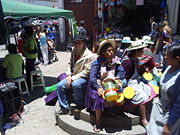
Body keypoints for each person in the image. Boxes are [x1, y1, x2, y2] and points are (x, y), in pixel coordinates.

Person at [85, 40, 126, 132]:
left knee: (122, 95)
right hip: (98, 84)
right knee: (99, 98)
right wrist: (98, 87)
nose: (111, 52)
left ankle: (113, 111)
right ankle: (98, 121)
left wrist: (118, 78)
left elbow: (122, 72)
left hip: (112, 84)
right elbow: (92, 78)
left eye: (112, 50)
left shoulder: (116, 61)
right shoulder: (97, 63)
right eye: (108, 51)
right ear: (103, 52)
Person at [55, 35, 94, 115]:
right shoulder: (73, 51)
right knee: (59, 86)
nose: (77, 45)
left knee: (76, 84)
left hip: (83, 77)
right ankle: (64, 107)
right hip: (73, 75)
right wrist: (69, 75)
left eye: (79, 43)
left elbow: (86, 72)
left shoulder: (89, 55)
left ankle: (80, 104)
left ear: (83, 43)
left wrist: (72, 78)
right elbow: (70, 64)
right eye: (75, 43)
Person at [121, 40, 157, 128]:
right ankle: (143, 119)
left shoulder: (136, 59)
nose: (143, 53)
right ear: (136, 51)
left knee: (149, 89)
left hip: (136, 81)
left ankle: (143, 112)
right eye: (141, 51)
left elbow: (137, 72)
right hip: (128, 83)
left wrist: (145, 71)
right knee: (142, 96)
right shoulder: (127, 61)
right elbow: (123, 75)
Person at [147, 44, 180, 135]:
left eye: (167, 55)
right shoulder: (168, 68)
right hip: (159, 108)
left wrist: (169, 124)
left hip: (171, 114)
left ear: (177, 59)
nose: (164, 57)